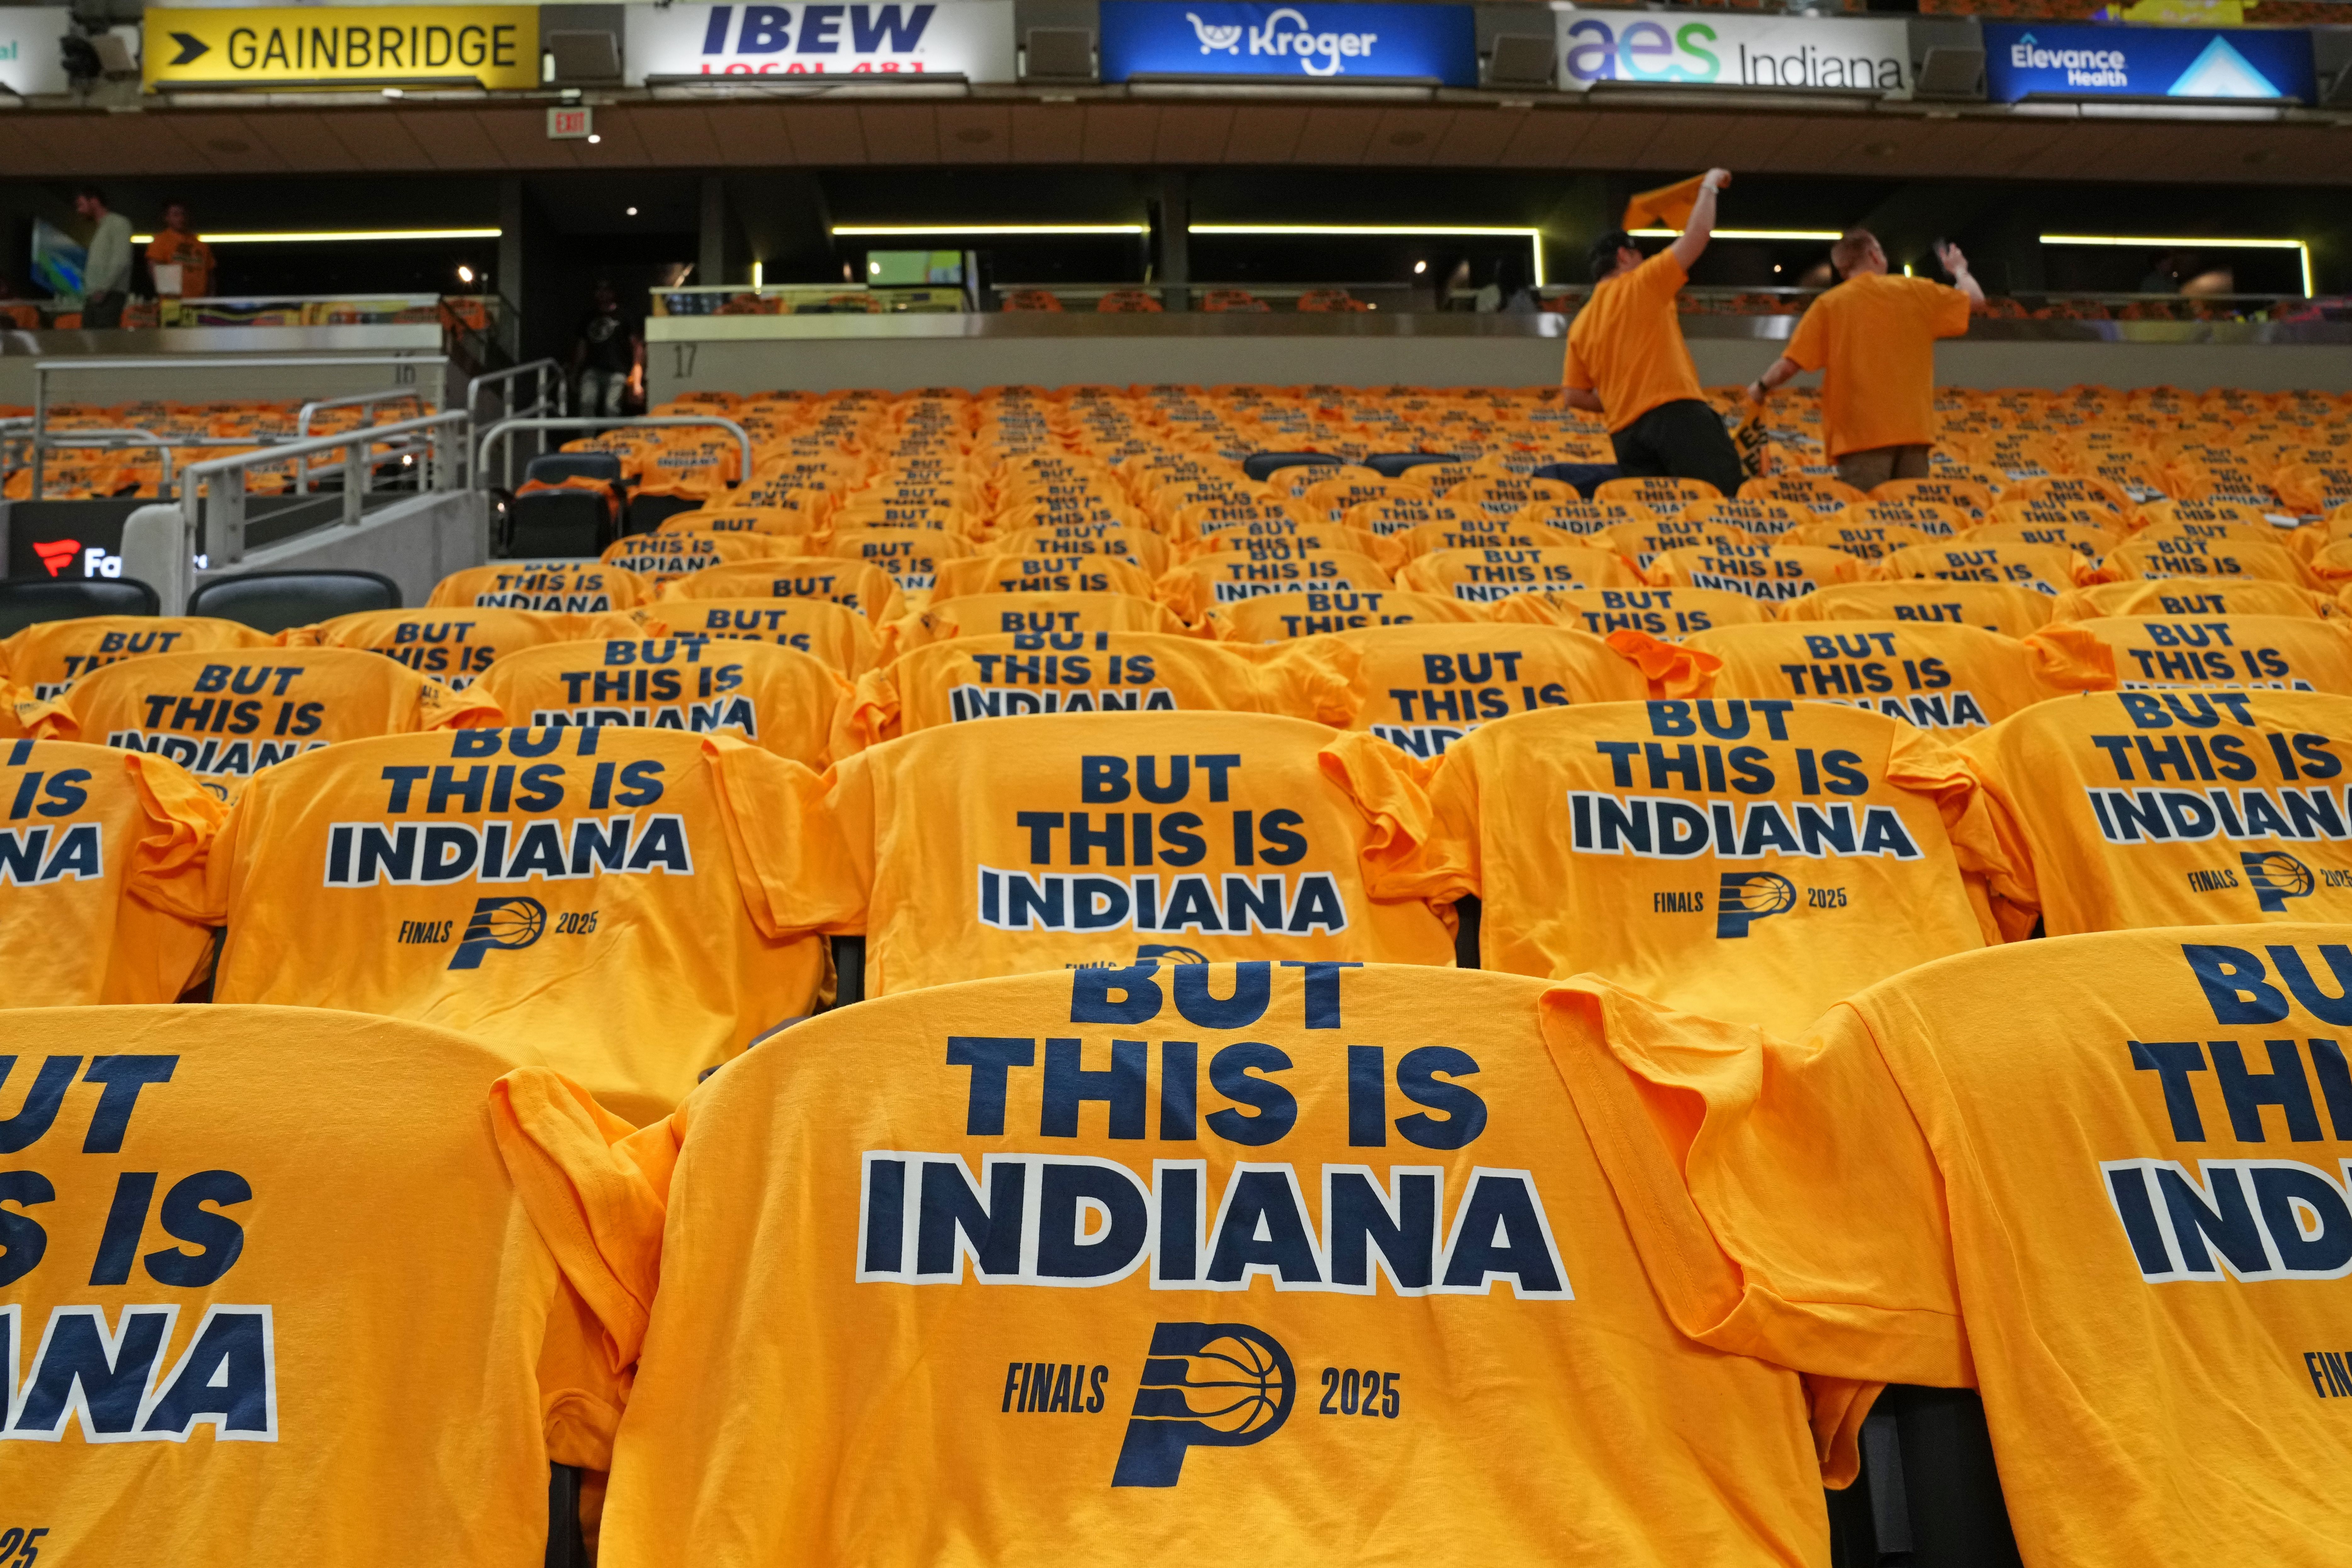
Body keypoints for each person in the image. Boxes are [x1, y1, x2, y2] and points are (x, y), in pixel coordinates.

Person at [1746, 231, 1984, 491]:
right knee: (1911, 523)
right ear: (1873, 254)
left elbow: (1791, 363)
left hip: (1859, 436)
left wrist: (1761, 387)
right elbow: (1976, 301)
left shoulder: (1829, 304)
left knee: (1869, 518)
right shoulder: (1915, 291)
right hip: (1915, 433)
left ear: (1841, 268)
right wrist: (1960, 270)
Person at [1561, 168, 1744, 498]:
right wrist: (1708, 186)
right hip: (1675, 416)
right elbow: (1699, 234)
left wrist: (1622, 398)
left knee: (1663, 521)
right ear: (1623, 256)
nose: (1642, 259)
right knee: (1721, 507)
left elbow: (1573, 395)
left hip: (1625, 436)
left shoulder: (1580, 324)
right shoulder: (1642, 282)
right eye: (1637, 254)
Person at [573, 281, 643, 418]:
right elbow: (582, 347)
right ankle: (588, 439)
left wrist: (637, 376)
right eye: (600, 291)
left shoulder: (624, 316)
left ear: (613, 293)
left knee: (611, 407)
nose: (603, 294)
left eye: (607, 291)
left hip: (618, 370)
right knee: (587, 403)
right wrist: (575, 372)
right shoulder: (589, 317)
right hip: (592, 369)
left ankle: (612, 439)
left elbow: (637, 346)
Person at [73, 184, 134, 329]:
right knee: (92, 341)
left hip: (109, 294)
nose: (79, 210)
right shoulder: (103, 228)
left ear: (94, 202)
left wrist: (104, 289)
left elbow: (121, 259)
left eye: (81, 205)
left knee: (103, 343)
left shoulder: (118, 223)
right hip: (98, 294)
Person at [147, 202, 216, 300]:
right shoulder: (161, 241)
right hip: (172, 302)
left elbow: (210, 275)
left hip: (199, 302)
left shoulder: (201, 245)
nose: (181, 218)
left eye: (184, 214)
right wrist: (169, 295)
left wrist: (211, 300)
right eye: (176, 215)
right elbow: (154, 268)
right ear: (167, 218)